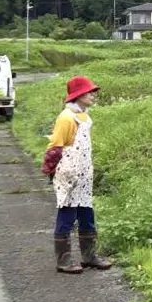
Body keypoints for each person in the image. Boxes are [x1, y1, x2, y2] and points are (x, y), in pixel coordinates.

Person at [43, 76, 109, 274]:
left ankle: (89, 256)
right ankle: (64, 260)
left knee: (87, 215)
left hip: (84, 174)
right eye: (89, 93)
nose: (93, 96)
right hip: (69, 173)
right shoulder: (66, 117)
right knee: (67, 215)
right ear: (78, 95)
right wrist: (50, 170)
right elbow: (55, 147)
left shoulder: (85, 117)